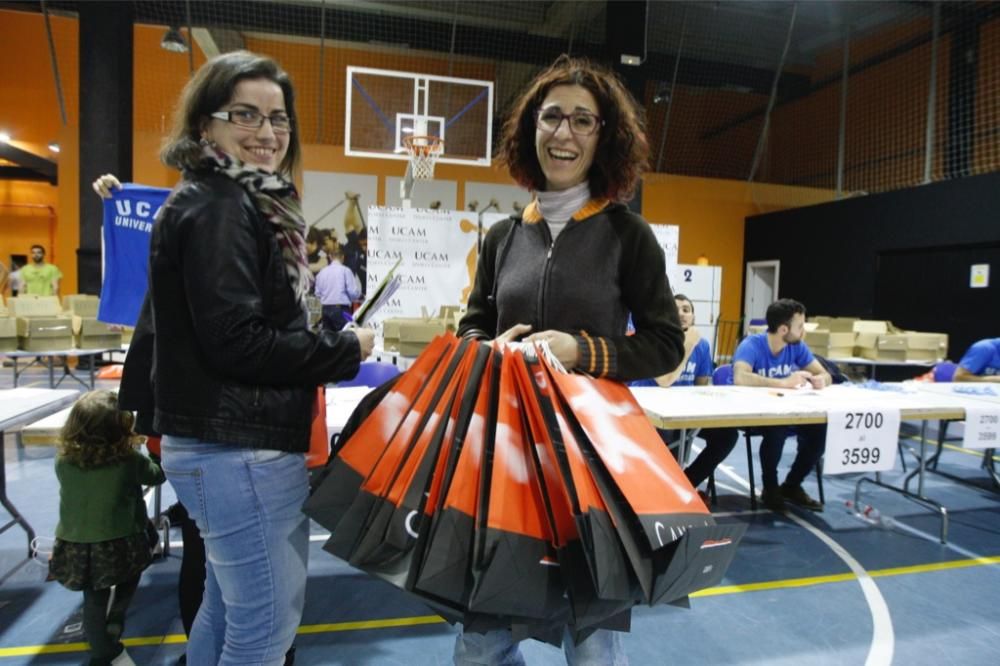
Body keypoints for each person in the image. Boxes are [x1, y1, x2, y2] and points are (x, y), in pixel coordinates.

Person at [117, 51, 374, 666]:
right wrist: (345, 349)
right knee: (264, 629)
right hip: (238, 447)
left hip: (226, 441)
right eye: (245, 115)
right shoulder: (222, 205)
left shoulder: (225, 200)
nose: (267, 134)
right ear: (205, 125)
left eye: (279, 119)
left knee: (227, 608)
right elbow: (239, 341)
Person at [457, 54, 686, 666]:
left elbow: (666, 343)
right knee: (480, 645)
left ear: (603, 136)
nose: (564, 133)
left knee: (592, 647)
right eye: (552, 117)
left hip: (592, 466)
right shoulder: (502, 236)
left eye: (583, 121)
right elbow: (473, 327)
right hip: (507, 463)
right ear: (531, 129)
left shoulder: (627, 235)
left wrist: (580, 351)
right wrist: (490, 348)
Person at [48, 390, 166, 666]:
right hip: (121, 539)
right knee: (133, 572)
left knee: (94, 596)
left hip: (76, 542)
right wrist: (157, 451)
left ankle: (104, 640)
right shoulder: (127, 460)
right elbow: (156, 475)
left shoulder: (63, 460)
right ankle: (105, 649)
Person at [634, 294, 739, 497]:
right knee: (670, 435)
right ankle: (663, 492)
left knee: (727, 435)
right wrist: (687, 345)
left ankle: (686, 484)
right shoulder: (654, 339)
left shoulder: (702, 346)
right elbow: (664, 380)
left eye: (686, 309)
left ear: (693, 317)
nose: (681, 314)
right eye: (676, 309)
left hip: (682, 414)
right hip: (650, 414)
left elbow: (700, 386)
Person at [732, 298, 831, 512]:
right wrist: (783, 383)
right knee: (776, 430)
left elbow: (824, 372)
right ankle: (770, 487)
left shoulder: (796, 346)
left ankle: (792, 485)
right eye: (800, 326)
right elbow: (740, 377)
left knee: (820, 430)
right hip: (758, 414)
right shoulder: (752, 345)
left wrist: (823, 379)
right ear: (784, 329)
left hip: (790, 412)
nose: (804, 331)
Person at [314, 246, 360, 331]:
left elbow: (317, 293)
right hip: (342, 309)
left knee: (328, 338)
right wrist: (358, 296)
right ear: (343, 257)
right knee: (348, 332)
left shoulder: (322, 272)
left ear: (330, 257)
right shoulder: (346, 271)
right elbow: (352, 292)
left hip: (325, 309)